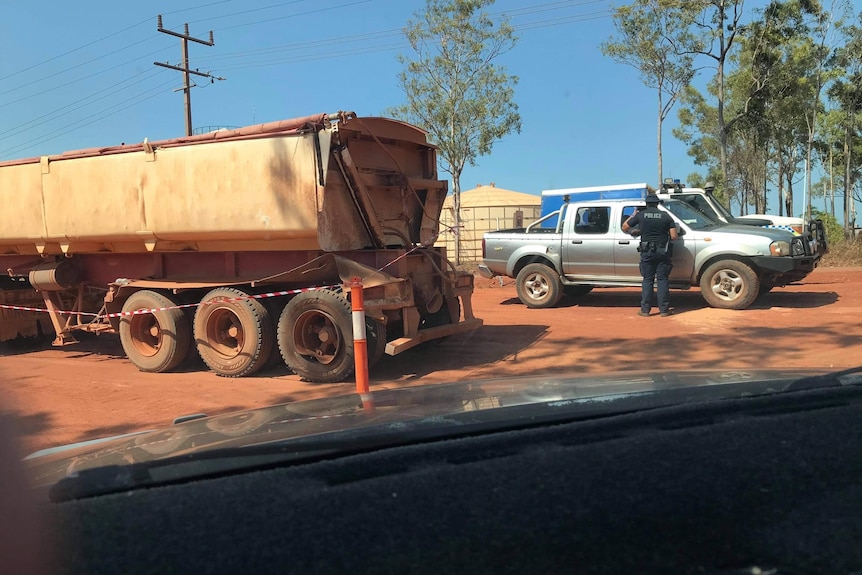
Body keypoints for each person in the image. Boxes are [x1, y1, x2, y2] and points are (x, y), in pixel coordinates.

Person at [622, 194, 678, 317]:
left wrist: (633, 214)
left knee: (648, 280)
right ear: (657, 204)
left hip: (647, 252)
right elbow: (674, 236)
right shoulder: (666, 216)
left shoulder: (641, 215)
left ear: (646, 204)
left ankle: (645, 310)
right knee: (662, 280)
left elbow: (625, 227)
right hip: (663, 252)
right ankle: (663, 310)